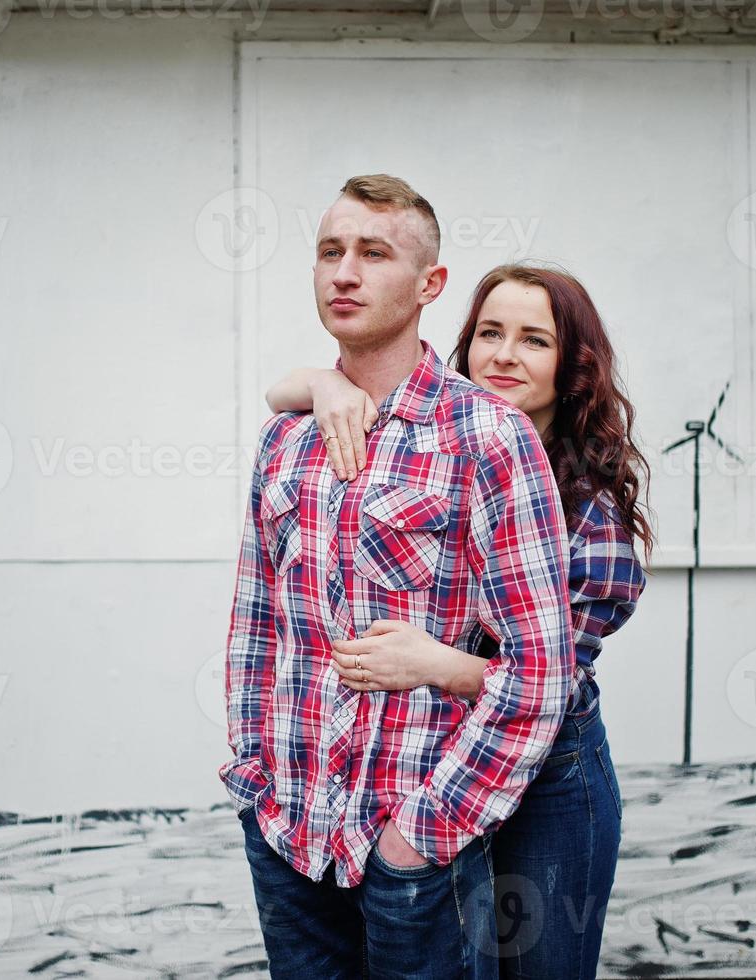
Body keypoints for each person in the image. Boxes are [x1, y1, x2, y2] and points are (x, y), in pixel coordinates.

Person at [219, 177, 578, 979]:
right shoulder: (287, 438)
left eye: (372, 253)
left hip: (415, 841)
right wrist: (254, 780)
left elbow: (540, 669)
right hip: (290, 832)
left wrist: (424, 833)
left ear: (429, 285)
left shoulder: (487, 435)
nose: (343, 273)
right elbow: (255, 625)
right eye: (328, 252)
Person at [265, 263, 652, 979]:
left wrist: (433, 663)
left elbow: (550, 679)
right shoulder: (439, 445)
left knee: (537, 968)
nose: (503, 354)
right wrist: (323, 383)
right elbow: (278, 391)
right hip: (443, 762)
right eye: (489, 333)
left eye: (533, 340)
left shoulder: (587, 511)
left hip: (547, 781)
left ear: (570, 366)